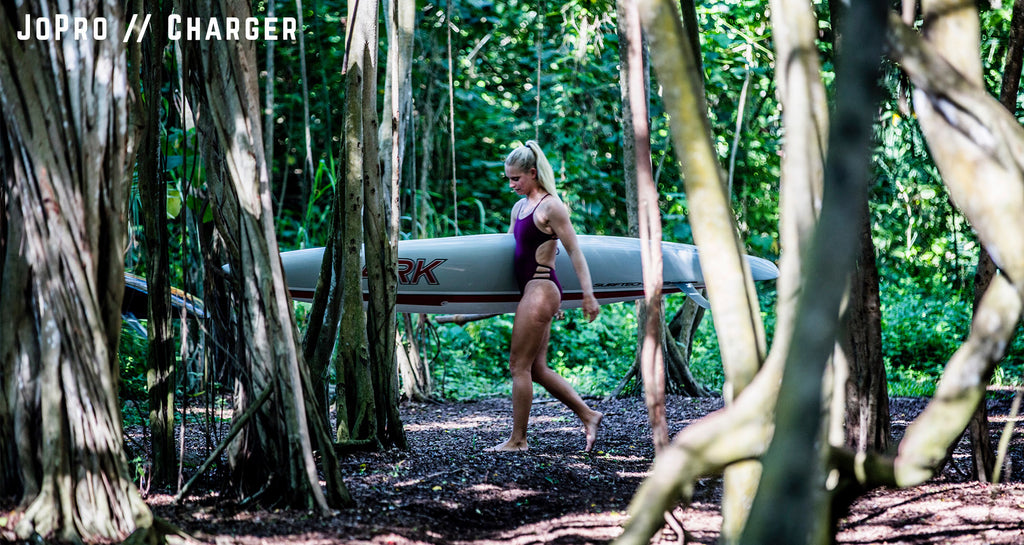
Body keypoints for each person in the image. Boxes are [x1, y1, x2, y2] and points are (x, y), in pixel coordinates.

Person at [487, 140, 604, 453]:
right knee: (537, 369)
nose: (511, 184)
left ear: (533, 173)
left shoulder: (551, 206)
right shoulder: (519, 207)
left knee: (518, 367)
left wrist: (587, 296)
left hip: (541, 290)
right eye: (508, 178)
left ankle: (518, 440)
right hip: (532, 293)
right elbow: (509, 252)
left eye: (517, 178)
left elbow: (574, 251)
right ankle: (588, 415)